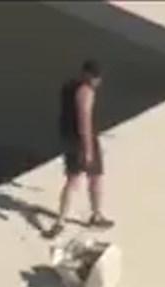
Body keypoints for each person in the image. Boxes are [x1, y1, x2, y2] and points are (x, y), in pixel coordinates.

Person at [53, 59, 114, 235]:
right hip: (83, 140)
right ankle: (96, 215)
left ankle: (61, 220)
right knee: (95, 177)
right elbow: (84, 120)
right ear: (87, 75)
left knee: (71, 180)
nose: (98, 81)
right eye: (96, 77)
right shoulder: (85, 92)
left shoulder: (68, 86)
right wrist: (88, 149)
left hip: (68, 138)